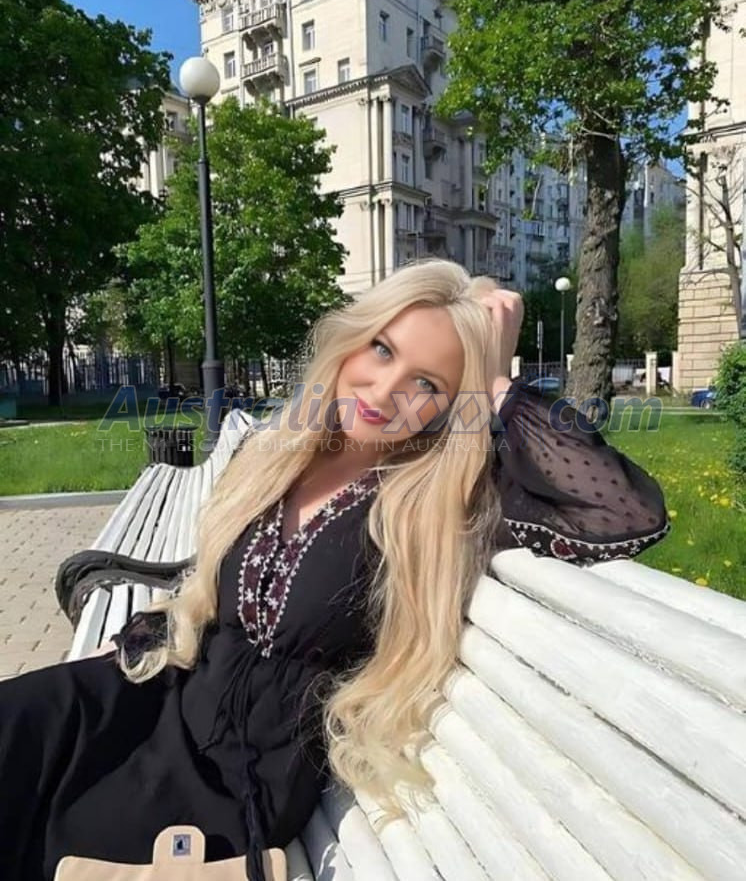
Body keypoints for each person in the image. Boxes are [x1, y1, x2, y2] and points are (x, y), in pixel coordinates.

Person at [0, 259, 670, 881]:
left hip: (235, 775)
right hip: (162, 699)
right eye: (382, 349)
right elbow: (221, 602)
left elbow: (625, 513)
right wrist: (152, 635)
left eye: (428, 384)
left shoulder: (436, 503)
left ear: (452, 404)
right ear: (352, 341)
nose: (386, 389)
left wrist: (496, 383)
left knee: (70, 835)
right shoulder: (280, 453)